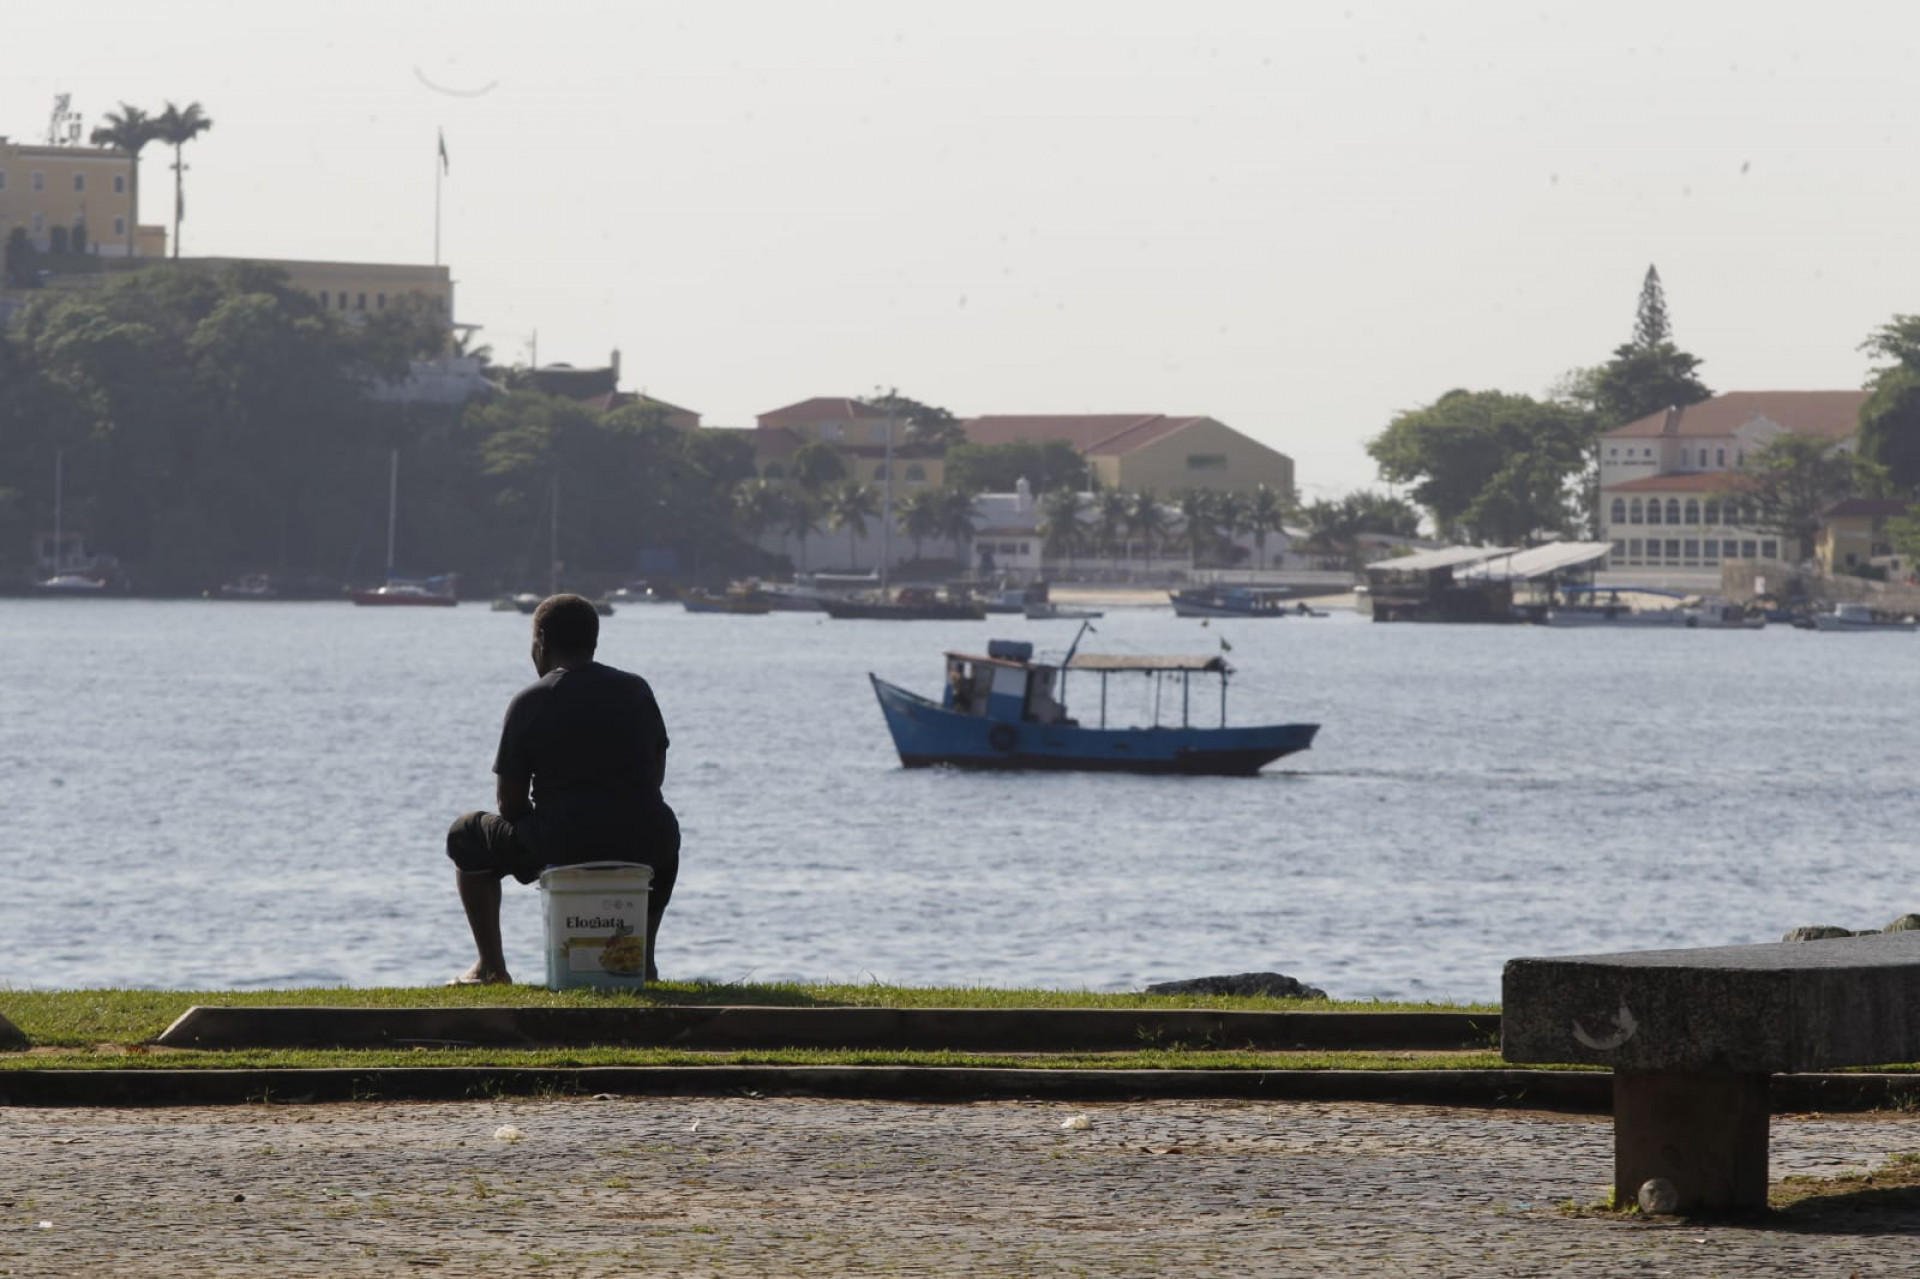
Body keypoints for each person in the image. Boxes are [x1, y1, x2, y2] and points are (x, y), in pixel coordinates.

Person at [445, 593, 679, 985]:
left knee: (465, 834)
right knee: (664, 835)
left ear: (540, 642)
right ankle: (644, 964)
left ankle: (491, 967)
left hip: (562, 840)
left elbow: (509, 801)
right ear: (594, 642)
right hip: (643, 840)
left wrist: (542, 835)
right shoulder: (637, 690)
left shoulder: (531, 700)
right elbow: (654, 776)